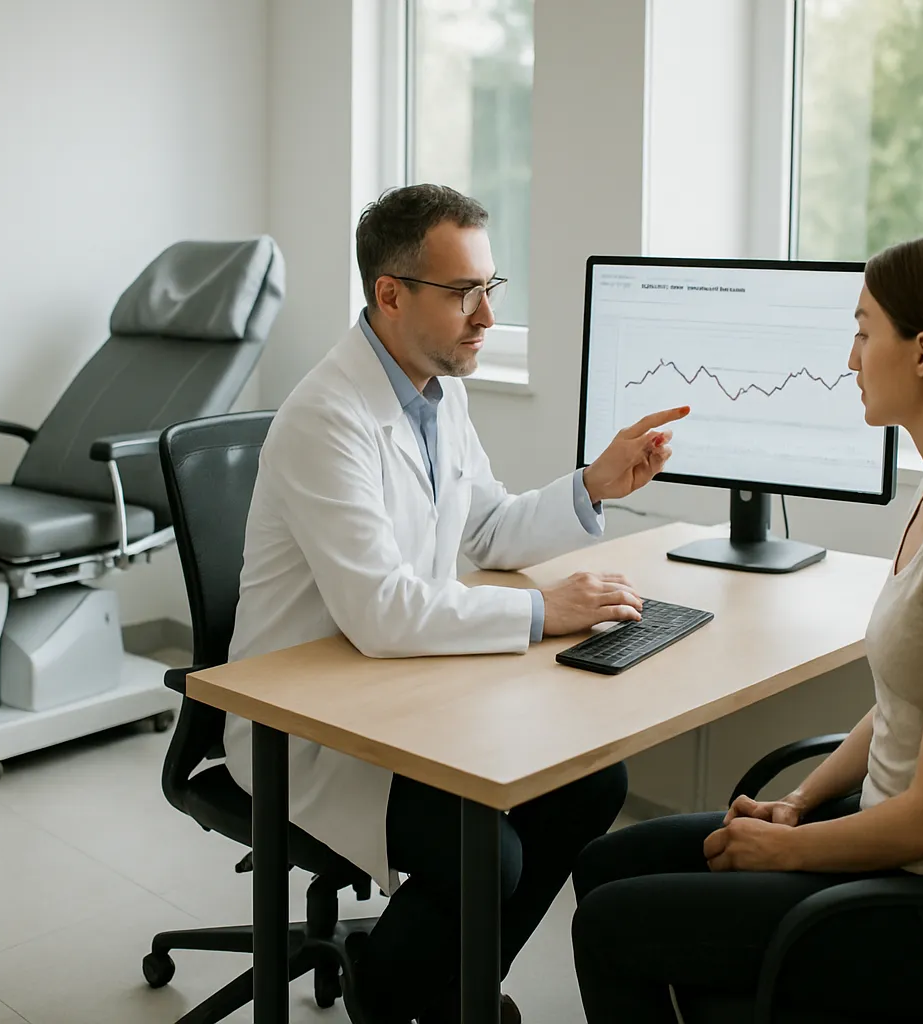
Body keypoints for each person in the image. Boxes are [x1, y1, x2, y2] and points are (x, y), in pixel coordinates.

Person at [570, 231, 923, 1024]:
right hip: (889, 848)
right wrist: (800, 802)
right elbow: (903, 707)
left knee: (608, 926)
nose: (850, 359)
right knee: (610, 862)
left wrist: (787, 849)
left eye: (862, 331)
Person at [221, 184, 689, 1023]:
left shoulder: (438, 388)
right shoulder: (327, 418)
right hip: (311, 725)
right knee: (491, 858)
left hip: (406, 695)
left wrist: (593, 483)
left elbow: (485, 529)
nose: (486, 316)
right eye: (463, 293)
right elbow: (383, 612)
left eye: (491, 288)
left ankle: (436, 989)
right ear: (390, 295)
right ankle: (402, 992)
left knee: (592, 784)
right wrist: (548, 612)